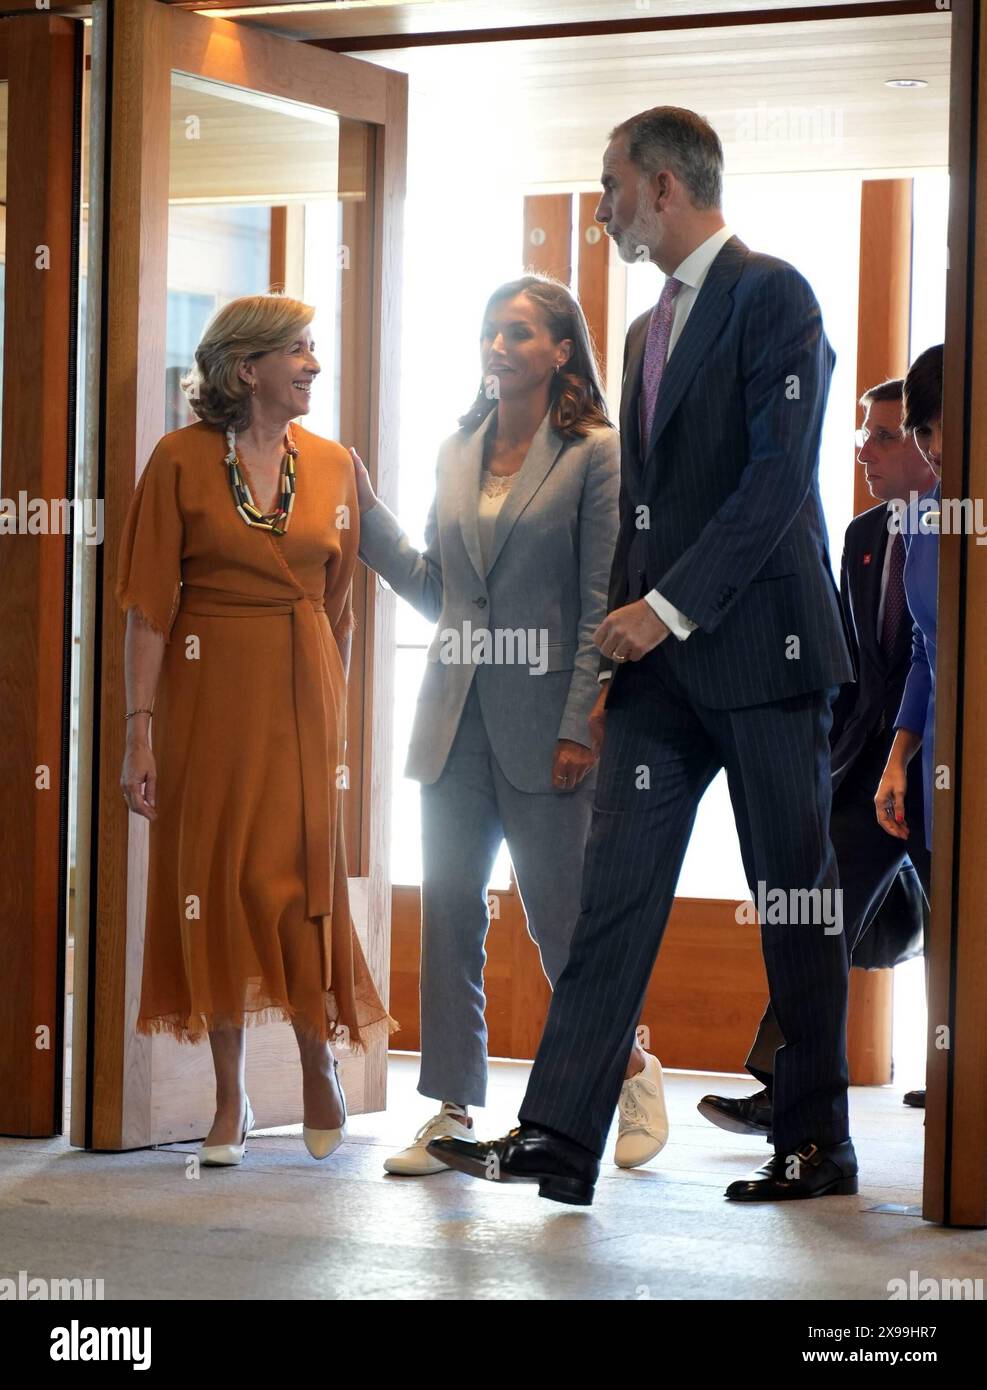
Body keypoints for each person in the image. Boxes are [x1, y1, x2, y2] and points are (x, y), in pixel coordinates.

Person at [430, 105, 857, 1205]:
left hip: (768, 654)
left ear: (664, 186)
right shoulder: (639, 331)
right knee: (614, 891)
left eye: (614, 184)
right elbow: (645, 512)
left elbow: (776, 485)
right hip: (660, 676)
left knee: (793, 898)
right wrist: (617, 658)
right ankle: (561, 1137)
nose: (607, 204)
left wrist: (662, 610)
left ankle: (816, 1141)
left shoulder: (777, 294)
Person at [351, 275, 669, 1176]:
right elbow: (443, 596)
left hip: (550, 728)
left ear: (561, 350)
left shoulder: (595, 456)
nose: (498, 346)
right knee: (449, 917)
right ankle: (450, 1110)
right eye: (490, 331)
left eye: (520, 333)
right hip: (451, 724)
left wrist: (582, 719)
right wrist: (368, 521)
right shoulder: (456, 450)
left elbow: (600, 604)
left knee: (561, 924)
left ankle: (630, 1069)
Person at [117, 293, 396, 1168]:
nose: (314, 365)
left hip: (303, 692)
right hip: (206, 695)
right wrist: (139, 733)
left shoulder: (334, 465)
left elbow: (342, 604)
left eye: (315, 349)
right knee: (220, 880)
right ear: (248, 370)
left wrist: (336, 711)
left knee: (293, 882)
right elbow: (148, 613)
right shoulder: (176, 460)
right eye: (299, 351)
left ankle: (319, 1061)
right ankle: (228, 1096)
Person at [698, 376, 937, 1142]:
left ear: (932, 448)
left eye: (885, 436)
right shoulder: (865, 537)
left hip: (943, 758)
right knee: (816, 910)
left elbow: (933, 660)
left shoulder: (964, 527)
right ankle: (785, 1083)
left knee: (964, 922)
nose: (863, 449)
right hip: (868, 758)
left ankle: (959, 1076)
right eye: (863, 433)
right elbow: (850, 662)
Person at [874, 345, 943, 927]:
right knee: (951, 967)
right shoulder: (922, 516)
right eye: (924, 430)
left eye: (949, 425)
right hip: (938, 774)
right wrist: (898, 760)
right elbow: (924, 651)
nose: (938, 447)